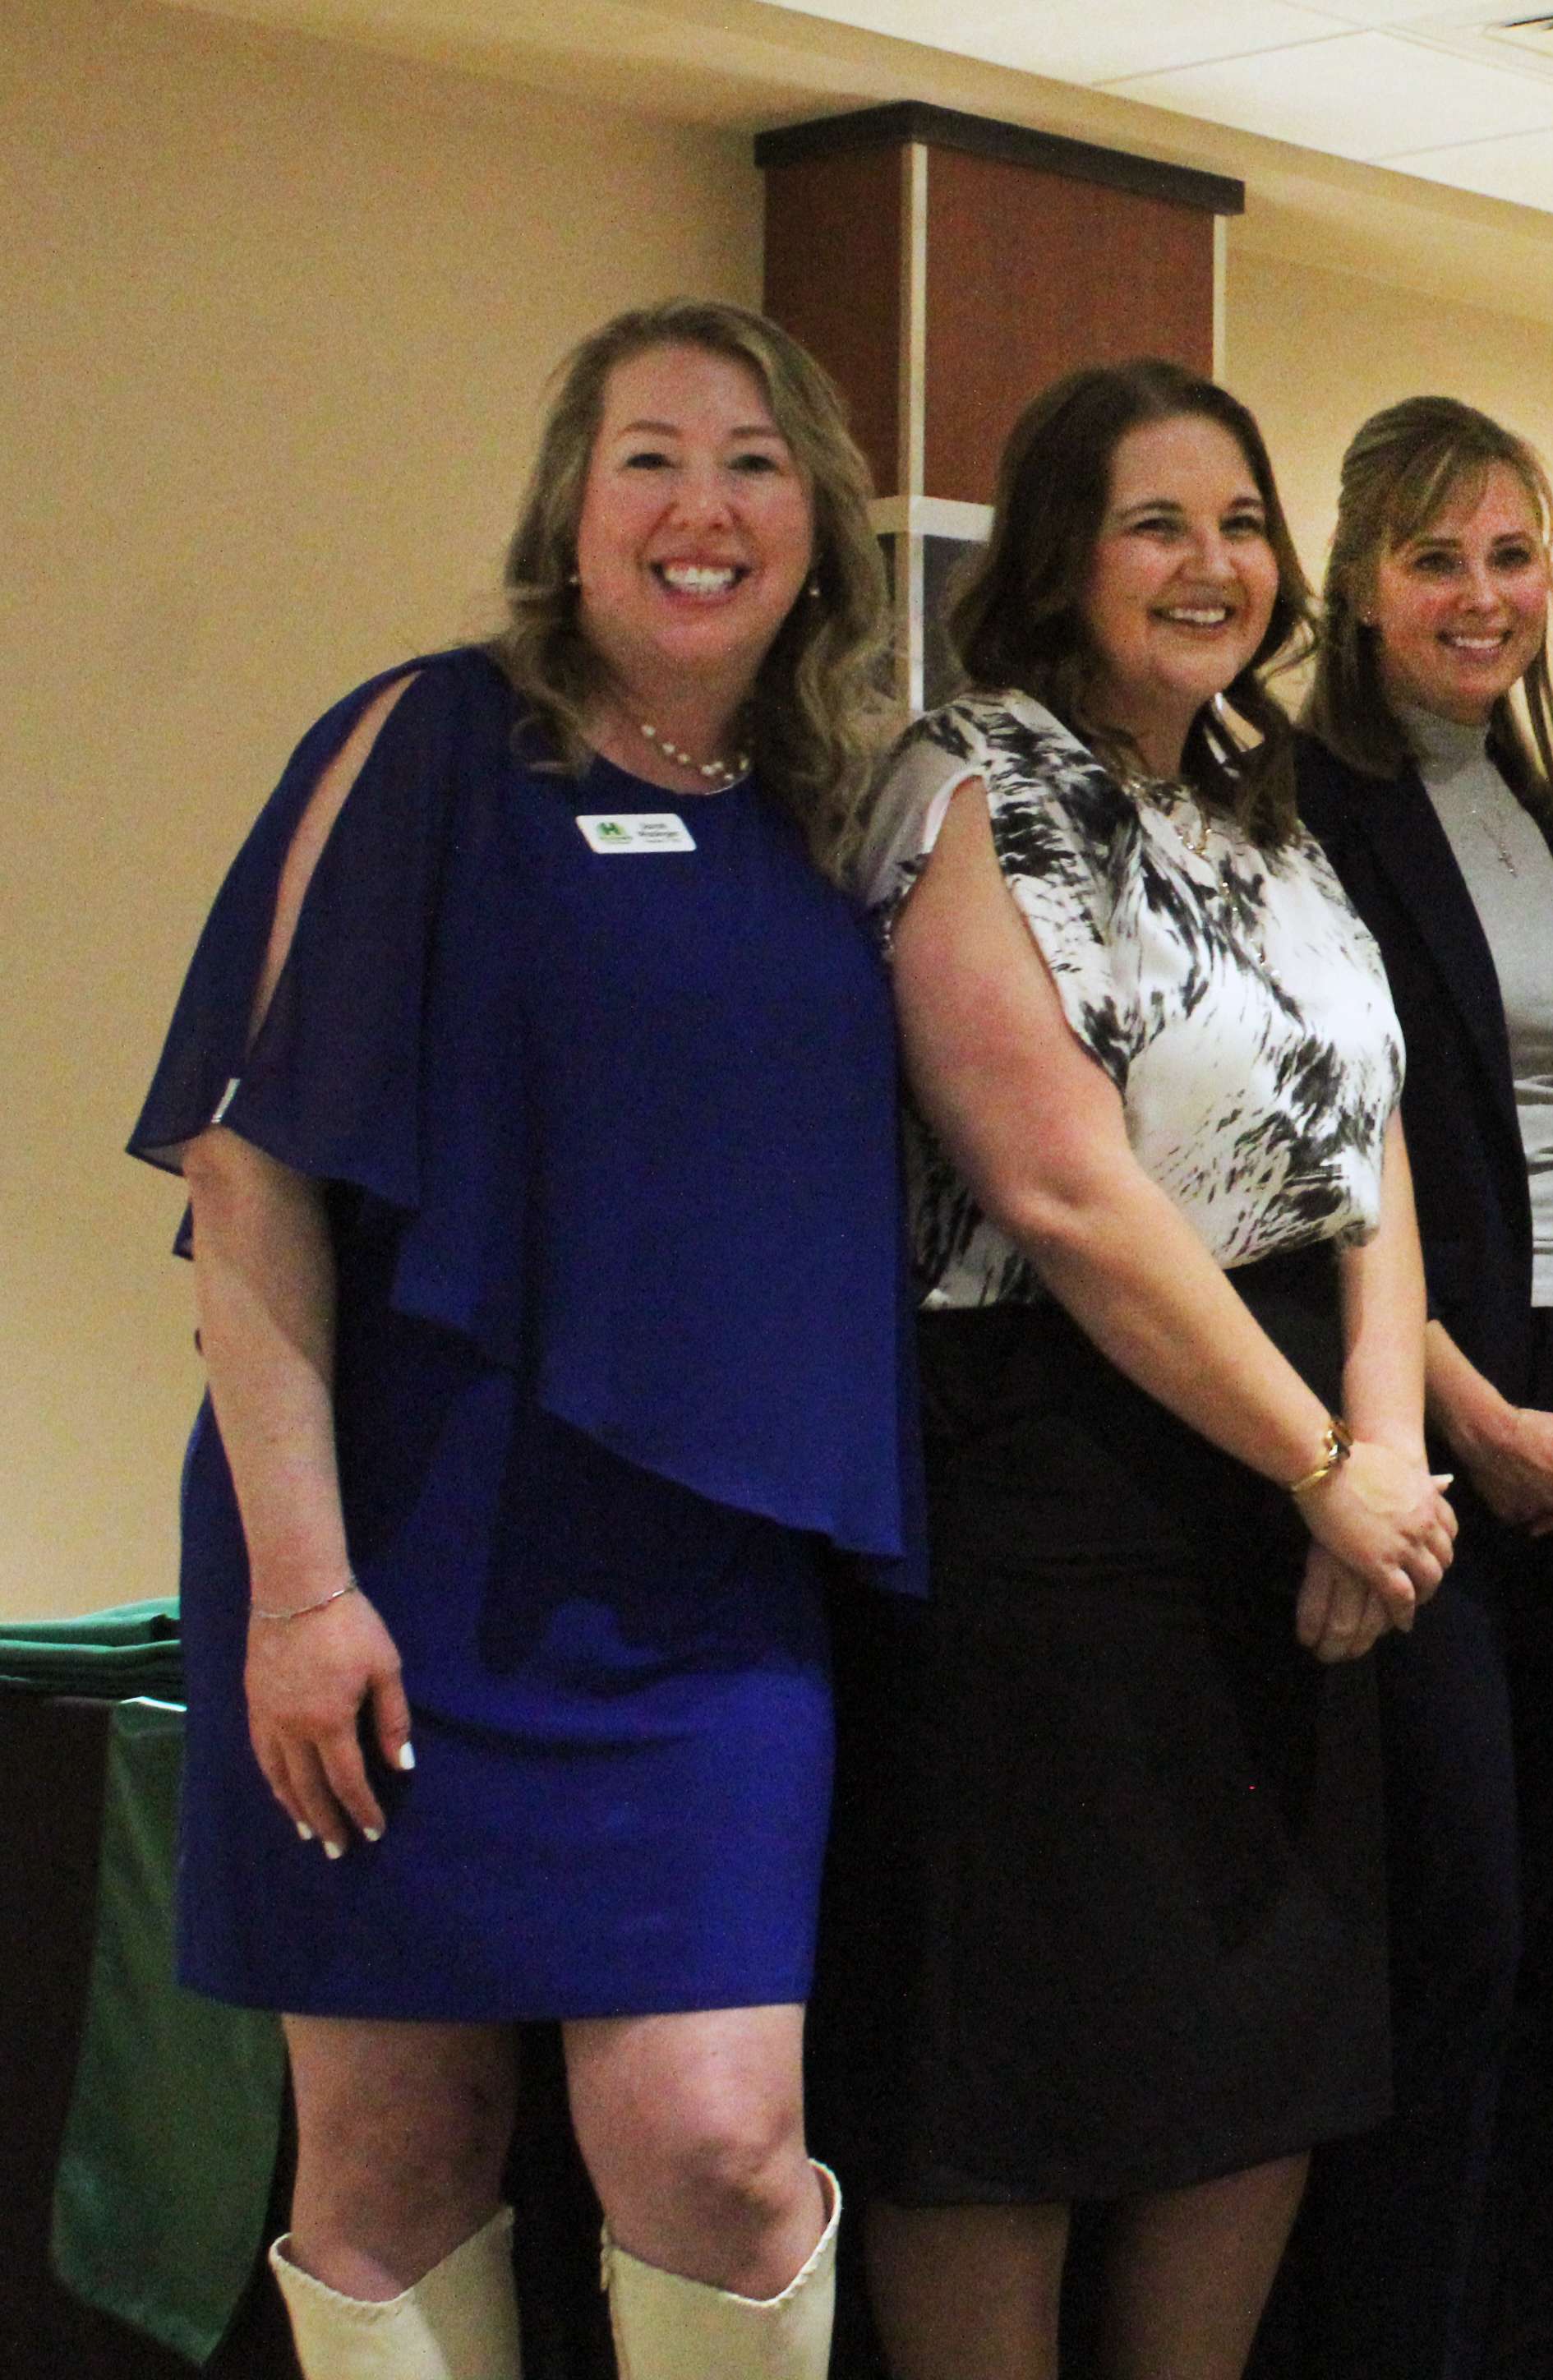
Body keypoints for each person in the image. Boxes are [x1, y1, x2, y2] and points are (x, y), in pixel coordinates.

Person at [127, 297, 905, 2379]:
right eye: (646, 455)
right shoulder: (426, 741)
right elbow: (246, 1164)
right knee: (392, 2143)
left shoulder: (843, 814)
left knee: (722, 2145)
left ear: (818, 522)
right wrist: (302, 1587)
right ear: (570, 508)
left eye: (751, 460)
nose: (699, 505)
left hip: (709, 1587)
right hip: (391, 1557)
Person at [810, 357, 1455, 2380]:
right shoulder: (966, 781)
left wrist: (1386, 1452)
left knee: (1253, 2057)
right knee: (1014, 2080)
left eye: (1242, 520)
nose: (1211, 562)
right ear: (1058, 558)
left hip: (1285, 1485)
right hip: (1049, 1495)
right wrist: (1317, 1461)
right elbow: (1062, 1191)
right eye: (1155, 523)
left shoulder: (1258, 804)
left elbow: (1369, 1145)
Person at [1277, 393, 1553, 2376]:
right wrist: (1460, 1413)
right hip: (1388, 1419)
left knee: (1538, 1937)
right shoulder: (1294, 805)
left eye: (1512, 556)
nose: (1483, 594)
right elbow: (1309, 1162)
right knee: (1444, 1926)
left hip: (1552, 1415)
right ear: (1355, 584)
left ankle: (1498, 2314)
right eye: (1434, 556)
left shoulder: (1552, 814)